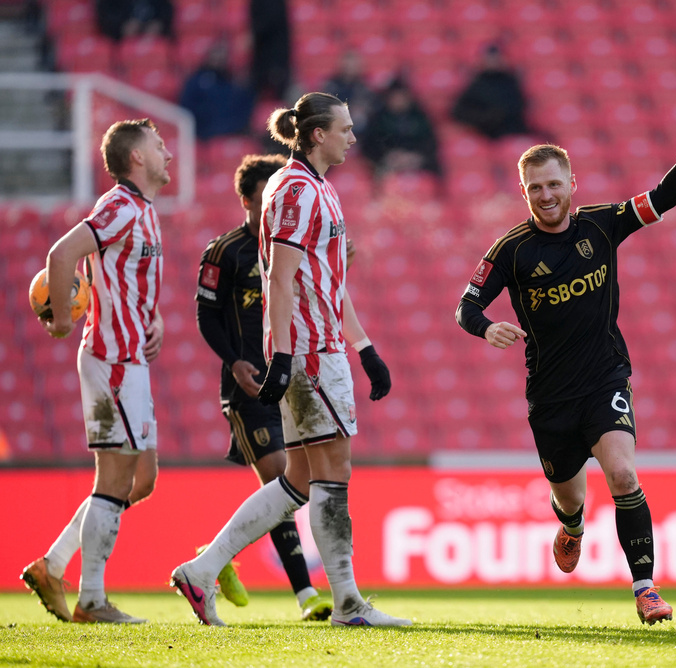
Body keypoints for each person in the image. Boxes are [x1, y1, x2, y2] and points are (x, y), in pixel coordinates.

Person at [455, 96, 676, 625]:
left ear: (572, 184)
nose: (546, 195)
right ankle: (573, 524)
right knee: (567, 495)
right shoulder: (511, 250)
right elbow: (465, 305)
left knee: (624, 475)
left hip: (605, 378)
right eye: (535, 187)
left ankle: (646, 588)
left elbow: (663, 198)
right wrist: (486, 325)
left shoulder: (603, 225)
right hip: (550, 397)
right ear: (524, 192)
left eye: (554, 184)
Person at [171, 92, 409, 628]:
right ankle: (348, 603)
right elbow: (280, 276)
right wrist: (282, 355)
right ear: (318, 134)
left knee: (298, 479)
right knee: (333, 472)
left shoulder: (311, 186)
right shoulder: (300, 190)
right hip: (311, 350)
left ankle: (202, 569)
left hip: (315, 344)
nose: (353, 136)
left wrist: (365, 346)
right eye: (345, 128)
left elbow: (324, 280)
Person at [21, 118, 173, 623]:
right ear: (136, 158)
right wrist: (63, 320)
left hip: (132, 356)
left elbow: (125, 278)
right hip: (111, 359)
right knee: (114, 477)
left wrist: (153, 320)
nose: (167, 151)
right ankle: (91, 599)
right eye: (158, 144)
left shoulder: (145, 211)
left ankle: (53, 564)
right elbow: (61, 253)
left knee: (141, 479)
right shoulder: (118, 206)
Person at [194, 153, 346, 621]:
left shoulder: (294, 241)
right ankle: (306, 597)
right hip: (250, 387)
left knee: (292, 483)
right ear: (246, 200)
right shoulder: (225, 252)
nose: (276, 204)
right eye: (265, 198)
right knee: (286, 475)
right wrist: (235, 361)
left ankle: (211, 560)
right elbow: (206, 316)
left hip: (294, 376)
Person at [359, 77, 442, 184]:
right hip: (388, 164)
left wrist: (413, 157)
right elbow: (368, 146)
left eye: (402, 97)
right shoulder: (378, 119)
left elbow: (431, 143)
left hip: (417, 162)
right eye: (395, 98)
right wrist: (389, 157)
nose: (399, 101)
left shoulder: (420, 118)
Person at [451, 43, 531, 140]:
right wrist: (485, 118)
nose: (492, 61)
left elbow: (517, 107)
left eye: (495, 58)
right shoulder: (477, 83)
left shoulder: (509, 82)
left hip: (510, 131)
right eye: (490, 58)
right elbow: (459, 111)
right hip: (485, 133)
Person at [178, 39, 255, 141]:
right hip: (205, 136)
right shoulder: (196, 81)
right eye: (216, 54)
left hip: (232, 134)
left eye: (223, 55)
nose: (219, 58)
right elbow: (187, 108)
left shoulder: (234, 83)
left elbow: (244, 109)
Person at [321, 50, 379, 137]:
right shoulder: (331, 85)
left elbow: (373, 106)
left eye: (353, 65)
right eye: (347, 65)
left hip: (362, 129)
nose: (350, 68)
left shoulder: (365, 86)